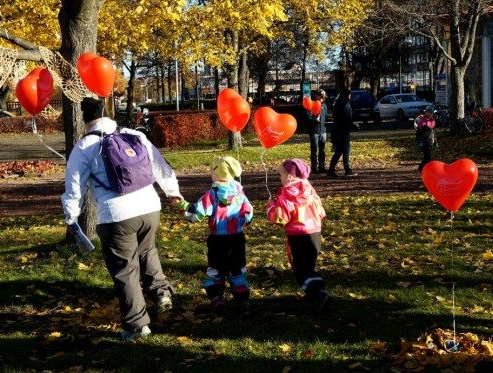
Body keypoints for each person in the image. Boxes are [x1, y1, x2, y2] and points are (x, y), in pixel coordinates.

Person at [61, 97, 183, 341]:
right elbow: (160, 164)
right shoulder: (132, 134)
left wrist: (71, 217)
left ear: (86, 122)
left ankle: (138, 325)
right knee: (147, 250)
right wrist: (173, 192)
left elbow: (74, 186)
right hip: (150, 207)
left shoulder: (85, 146)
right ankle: (161, 293)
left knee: (125, 270)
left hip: (115, 215)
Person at [174, 156, 254, 316]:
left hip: (217, 239)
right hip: (237, 237)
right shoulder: (239, 191)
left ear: (218, 174)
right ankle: (243, 301)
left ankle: (216, 298)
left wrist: (182, 207)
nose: (210, 172)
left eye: (212, 170)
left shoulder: (212, 194)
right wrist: (245, 221)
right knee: (238, 269)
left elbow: (197, 214)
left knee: (216, 269)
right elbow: (249, 211)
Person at [266, 159, 331, 314]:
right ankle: (315, 292)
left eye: (281, 176)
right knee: (309, 264)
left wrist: (271, 207)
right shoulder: (309, 189)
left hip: (298, 235)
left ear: (289, 177)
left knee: (300, 269)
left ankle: (317, 292)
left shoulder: (287, 194)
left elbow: (281, 217)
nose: (280, 179)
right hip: (314, 232)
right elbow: (320, 211)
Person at [327, 88, 356, 178]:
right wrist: (352, 126)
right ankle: (333, 170)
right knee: (341, 151)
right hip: (343, 132)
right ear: (347, 95)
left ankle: (346, 169)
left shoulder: (337, 104)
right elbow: (347, 119)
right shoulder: (346, 104)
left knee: (343, 150)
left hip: (338, 131)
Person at [307, 90, 328, 173]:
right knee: (314, 150)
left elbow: (325, 116)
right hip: (314, 131)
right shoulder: (311, 105)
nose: (322, 98)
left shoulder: (324, 105)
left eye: (323, 97)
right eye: (321, 96)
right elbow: (308, 117)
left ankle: (322, 166)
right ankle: (314, 167)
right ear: (317, 96)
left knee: (322, 150)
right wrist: (314, 120)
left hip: (323, 130)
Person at [416, 106, 437, 172]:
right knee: (428, 157)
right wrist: (419, 142)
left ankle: (423, 168)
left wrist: (435, 141)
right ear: (425, 112)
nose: (429, 114)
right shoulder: (422, 121)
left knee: (427, 156)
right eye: (427, 112)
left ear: (432, 113)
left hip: (430, 141)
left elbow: (433, 132)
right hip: (424, 141)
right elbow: (418, 133)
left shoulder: (432, 120)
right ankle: (422, 168)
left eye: (430, 113)